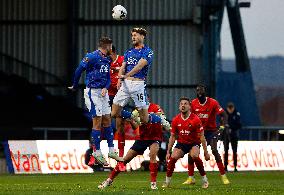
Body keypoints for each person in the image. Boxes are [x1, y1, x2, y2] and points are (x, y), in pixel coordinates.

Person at [68, 37, 123, 166]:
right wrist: (75, 85)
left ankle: (111, 150)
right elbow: (78, 70)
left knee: (107, 120)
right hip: (92, 92)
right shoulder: (91, 57)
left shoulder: (107, 59)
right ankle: (97, 152)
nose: (112, 49)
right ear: (106, 46)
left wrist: (106, 87)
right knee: (97, 121)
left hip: (103, 92)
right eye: (110, 46)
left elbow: (108, 78)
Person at [111, 27, 171, 132]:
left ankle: (159, 118)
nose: (133, 37)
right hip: (125, 85)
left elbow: (139, 66)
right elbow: (122, 67)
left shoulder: (148, 51)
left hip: (138, 86)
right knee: (114, 113)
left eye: (135, 35)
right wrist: (120, 79)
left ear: (142, 36)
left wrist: (126, 75)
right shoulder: (128, 51)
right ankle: (132, 116)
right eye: (132, 35)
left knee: (145, 119)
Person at [98, 103, 165, 190]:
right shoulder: (136, 112)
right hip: (142, 138)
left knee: (153, 155)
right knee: (125, 160)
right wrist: (131, 120)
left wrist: (147, 117)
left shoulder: (155, 107)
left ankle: (153, 184)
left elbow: (161, 119)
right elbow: (135, 127)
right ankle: (109, 180)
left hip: (155, 137)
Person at [183, 84, 230, 185]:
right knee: (191, 153)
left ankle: (223, 176)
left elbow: (224, 114)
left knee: (214, 150)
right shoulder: (193, 103)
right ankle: (191, 178)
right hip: (198, 132)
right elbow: (189, 116)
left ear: (204, 91)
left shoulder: (213, 102)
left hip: (211, 131)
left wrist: (222, 127)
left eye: (201, 90)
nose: (199, 92)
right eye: (197, 90)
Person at [162, 97, 210, 189]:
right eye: (181, 104)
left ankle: (205, 180)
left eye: (185, 104)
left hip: (193, 143)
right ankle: (167, 182)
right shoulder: (176, 120)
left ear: (189, 106)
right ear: (179, 107)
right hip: (182, 143)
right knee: (172, 158)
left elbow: (202, 137)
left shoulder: (195, 119)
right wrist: (168, 151)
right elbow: (172, 137)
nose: (183, 105)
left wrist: (206, 152)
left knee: (195, 156)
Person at [223, 102, 241, 172]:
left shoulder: (237, 114)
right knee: (226, 151)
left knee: (234, 151)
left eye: (231, 108)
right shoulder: (224, 114)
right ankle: (225, 166)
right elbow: (221, 123)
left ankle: (235, 166)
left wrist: (231, 128)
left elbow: (239, 125)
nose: (230, 110)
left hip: (234, 134)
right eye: (229, 108)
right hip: (226, 135)